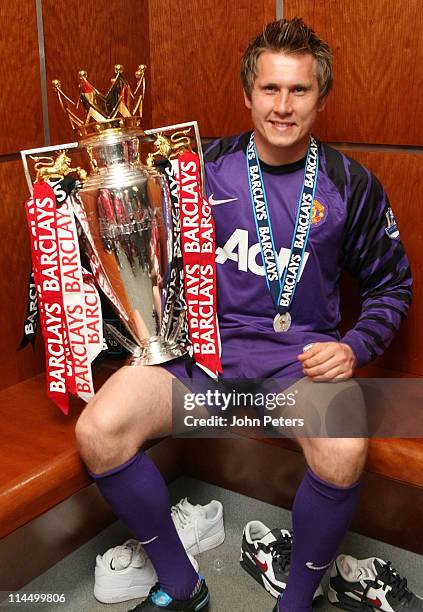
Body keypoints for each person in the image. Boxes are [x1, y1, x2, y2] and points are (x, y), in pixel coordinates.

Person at [75, 17, 412, 612]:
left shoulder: (350, 184)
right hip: (202, 358)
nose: (283, 106)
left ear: (320, 96)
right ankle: (184, 585)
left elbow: (392, 287)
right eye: (270, 89)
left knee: (343, 450)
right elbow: (143, 256)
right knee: (99, 431)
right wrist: (141, 324)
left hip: (298, 365)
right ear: (247, 94)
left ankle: (296, 601)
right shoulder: (200, 168)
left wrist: (354, 347)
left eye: (299, 90)